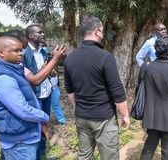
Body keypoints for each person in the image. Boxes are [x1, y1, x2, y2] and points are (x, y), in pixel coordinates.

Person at [0, 30, 66, 160]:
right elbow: (22, 109)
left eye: (21, 50)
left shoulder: (13, 66)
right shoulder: (2, 77)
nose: (21, 54)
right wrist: (43, 116)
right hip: (17, 135)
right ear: (1, 53)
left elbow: (33, 78)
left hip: (21, 131)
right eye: (16, 50)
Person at [64, 15, 130, 160]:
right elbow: (117, 91)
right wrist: (125, 115)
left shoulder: (70, 57)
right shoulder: (105, 57)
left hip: (82, 116)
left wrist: (77, 106)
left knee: (84, 155)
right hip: (103, 118)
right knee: (109, 156)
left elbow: (69, 89)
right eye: (102, 30)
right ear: (97, 31)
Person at [22, 25, 52, 158]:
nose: (43, 34)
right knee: (37, 127)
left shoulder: (43, 51)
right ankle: (37, 155)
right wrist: (44, 69)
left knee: (45, 123)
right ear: (31, 36)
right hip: (35, 96)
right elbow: (30, 80)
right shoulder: (24, 54)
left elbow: (51, 73)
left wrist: (51, 68)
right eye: (39, 32)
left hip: (47, 93)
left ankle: (43, 153)